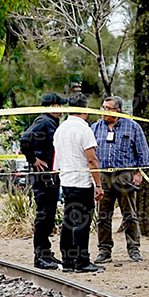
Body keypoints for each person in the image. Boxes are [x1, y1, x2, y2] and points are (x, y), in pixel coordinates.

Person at [90, 96, 149, 263]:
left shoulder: (132, 127)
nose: (104, 112)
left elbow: (143, 153)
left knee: (129, 215)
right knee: (103, 215)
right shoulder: (95, 128)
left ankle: (134, 248)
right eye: (102, 107)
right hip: (103, 176)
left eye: (108, 108)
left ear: (117, 111)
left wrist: (139, 174)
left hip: (125, 174)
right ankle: (104, 250)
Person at [53, 93, 104, 273]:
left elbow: (57, 158)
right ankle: (81, 261)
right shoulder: (84, 129)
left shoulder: (61, 129)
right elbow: (91, 159)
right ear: (84, 109)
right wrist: (98, 184)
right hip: (82, 182)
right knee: (82, 222)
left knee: (68, 221)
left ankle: (67, 260)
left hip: (66, 181)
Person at [20, 92, 66, 270]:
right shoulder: (44, 121)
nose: (61, 109)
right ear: (52, 106)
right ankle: (40, 255)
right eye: (59, 106)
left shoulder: (50, 122)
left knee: (49, 216)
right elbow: (25, 139)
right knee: (44, 215)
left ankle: (46, 252)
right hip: (43, 176)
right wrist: (33, 160)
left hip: (50, 175)